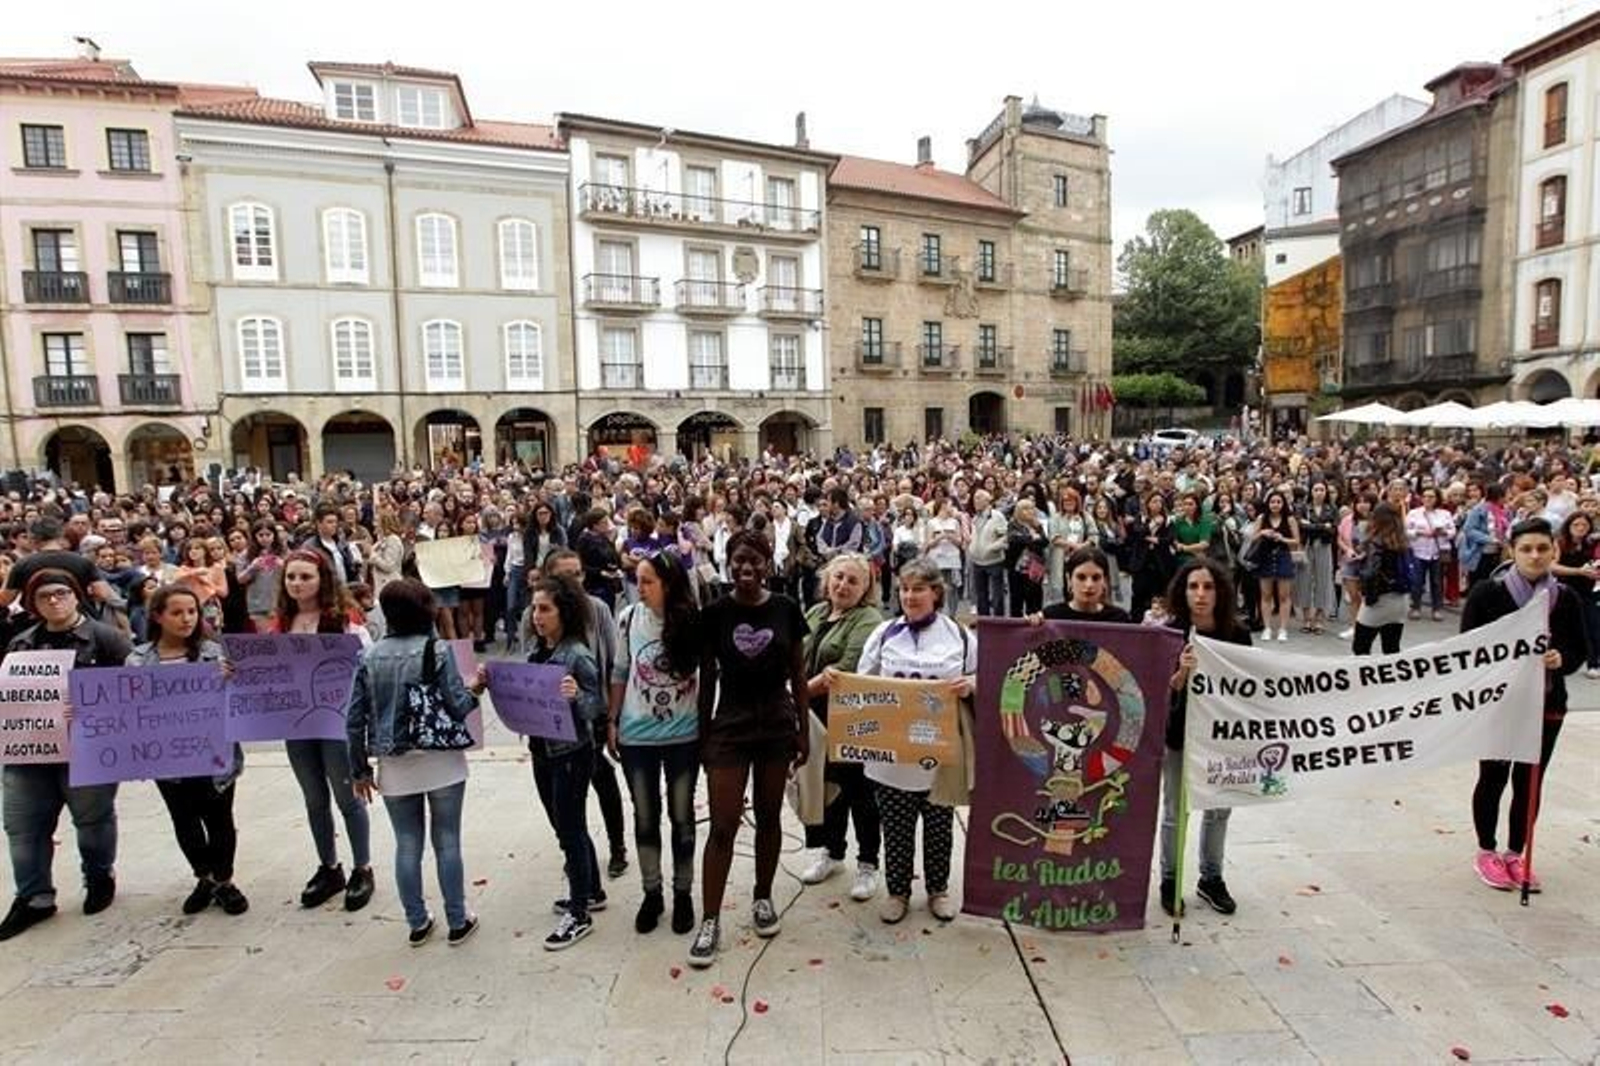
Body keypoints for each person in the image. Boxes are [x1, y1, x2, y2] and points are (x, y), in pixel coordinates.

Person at [690, 531, 809, 967]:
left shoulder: (786, 609)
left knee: (769, 816)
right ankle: (710, 918)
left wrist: (803, 730)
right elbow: (707, 680)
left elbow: (798, 672)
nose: (746, 568)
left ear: (767, 564)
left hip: (776, 725)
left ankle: (763, 896)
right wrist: (704, 739)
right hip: (731, 725)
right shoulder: (715, 613)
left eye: (754, 561)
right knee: (722, 826)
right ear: (728, 562)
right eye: (738, 561)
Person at [347, 578, 488, 947]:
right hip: (441, 759)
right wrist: (476, 689)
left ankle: (417, 921)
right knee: (448, 841)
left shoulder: (369, 656)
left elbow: (353, 719)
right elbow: (458, 706)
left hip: (394, 764)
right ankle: (457, 918)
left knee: (407, 844)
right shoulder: (437, 650)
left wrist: (359, 769)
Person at [0, 569, 132, 940]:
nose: (54, 601)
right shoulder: (20, 644)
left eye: (61, 593)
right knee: (23, 827)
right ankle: (33, 896)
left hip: (87, 749)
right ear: (32, 604)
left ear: (77, 596)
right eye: (44, 597)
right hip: (29, 752)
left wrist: (93, 709)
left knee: (92, 820)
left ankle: (99, 877)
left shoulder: (106, 638)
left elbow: (135, 685)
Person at [1462, 518, 1585, 893]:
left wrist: (1560, 658)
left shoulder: (1566, 597)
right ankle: (1487, 851)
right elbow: (1465, 650)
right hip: (1498, 705)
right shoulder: (1487, 593)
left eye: (1542, 548)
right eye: (1527, 548)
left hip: (1548, 703)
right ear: (1511, 551)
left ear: (1554, 551)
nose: (1535, 555)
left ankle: (1517, 853)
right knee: (1494, 777)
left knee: (1530, 781)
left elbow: (1581, 649)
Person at [852, 559, 975, 924]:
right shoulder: (885, 632)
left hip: (939, 754)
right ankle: (898, 891)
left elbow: (986, 675)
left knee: (939, 827)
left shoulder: (960, 636)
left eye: (918, 588)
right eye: (904, 589)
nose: (909, 596)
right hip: (892, 757)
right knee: (896, 828)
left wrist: (971, 684)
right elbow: (863, 681)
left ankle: (938, 890)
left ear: (936, 593)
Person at [125, 585, 248, 916]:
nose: (186, 619)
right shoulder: (138, 660)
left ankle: (225, 880)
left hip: (214, 754)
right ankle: (204, 877)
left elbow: (241, 702)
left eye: (191, 612)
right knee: (185, 820)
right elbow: (127, 706)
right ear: (157, 616)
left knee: (220, 819)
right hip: (167, 758)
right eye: (177, 612)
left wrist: (228, 681)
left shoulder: (214, 653)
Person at [272, 548, 376, 912]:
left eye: (305, 577)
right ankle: (329, 867)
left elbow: (367, 664)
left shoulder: (345, 620)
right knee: (314, 798)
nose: (298, 584)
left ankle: (363, 867)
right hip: (297, 724)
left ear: (322, 580)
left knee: (348, 798)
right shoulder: (281, 623)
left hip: (336, 723)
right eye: (291, 577)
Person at [607, 551, 701, 936]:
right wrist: (611, 720)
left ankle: (683, 893)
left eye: (648, 581)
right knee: (645, 817)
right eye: (637, 580)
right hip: (636, 737)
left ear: (668, 584)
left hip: (684, 737)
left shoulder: (694, 622)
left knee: (682, 818)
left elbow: (707, 674)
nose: (640, 588)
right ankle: (652, 892)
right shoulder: (628, 619)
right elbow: (620, 670)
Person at [1159, 557, 1249, 917]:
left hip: (1222, 738)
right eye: (1193, 586)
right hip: (1180, 734)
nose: (1200, 594)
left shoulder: (1237, 634)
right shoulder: (1170, 632)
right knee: (1174, 811)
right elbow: (1160, 691)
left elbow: (1249, 685)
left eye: (1208, 587)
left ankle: (1211, 878)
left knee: (1218, 809)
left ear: (1220, 592)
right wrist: (1181, 672)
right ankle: (1169, 878)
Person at [797, 553, 885, 900]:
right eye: (838, 577)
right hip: (812, 715)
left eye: (852, 580)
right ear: (827, 580)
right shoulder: (816, 612)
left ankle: (867, 864)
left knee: (859, 791)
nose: (843, 585)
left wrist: (797, 691)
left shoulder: (868, 619)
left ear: (866, 588)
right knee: (826, 788)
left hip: (850, 717)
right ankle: (832, 853)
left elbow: (847, 668)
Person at [527, 575, 607, 950]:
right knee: (564, 825)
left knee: (570, 828)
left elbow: (598, 706)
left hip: (571, 754)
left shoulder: (576, 654)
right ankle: (590, 890)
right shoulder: (539, 651)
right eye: (534, 608)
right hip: (543, 751)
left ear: (564, 612)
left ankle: (579, 912)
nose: (536, 616)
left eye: (545, 609)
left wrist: (577, 697)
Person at [1354, 504, 1411, 656]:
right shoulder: (1402, 541)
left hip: (1379, 598)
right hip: (1401, 599)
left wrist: (1363, 585)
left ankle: (1365, 678)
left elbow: (1371, 573)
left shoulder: (1377, 541)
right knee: (1392, 648)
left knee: (1361, 647)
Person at [1552, 511, 1600, 679]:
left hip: (1588, 592)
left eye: (1584, 525)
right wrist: (1579, 571)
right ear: (1569, 526)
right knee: (1565, 628)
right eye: (1576, 524)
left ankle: (1594, 663)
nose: (1580, 528)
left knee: (1593, 625)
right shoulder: (1560, 543)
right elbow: (1552, 566)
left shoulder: (1591, 543)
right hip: (1565, 592)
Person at [1032, 546, 1132, 624]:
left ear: (1105, 581)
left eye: (1096, 578)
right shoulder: (1051, 617)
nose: (1089, 585)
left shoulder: (1119, 619)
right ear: (1069, 579)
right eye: (1081, 577)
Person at [1253, 490, 1300, 642]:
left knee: (1284, 596)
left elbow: (1296, 541)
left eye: (1279, 502)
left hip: (1283, 556)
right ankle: (1267, 627)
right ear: (1268, 503)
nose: (1275, 505)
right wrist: (1262, 533)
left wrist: (1282, 538)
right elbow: (1252, 538)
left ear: (1283, 504)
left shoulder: (1290, 519)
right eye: (1272, 502)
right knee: (1265, 595)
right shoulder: (1262, 518)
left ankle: (1283, 629)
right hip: (1265, 557)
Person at [1405, 487, 1455, 622]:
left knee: (1437, 581)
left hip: (1437, 551)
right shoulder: (1414, 513)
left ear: (1437, 498)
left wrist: (1442, 532)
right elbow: (1406, 531)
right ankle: (1415, 607)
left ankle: (1437, 609)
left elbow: (1452, 531)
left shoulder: (1445, 514)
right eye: (1425, 496)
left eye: (1431, 496)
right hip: (1418, 551)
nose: (1428, 499)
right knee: (1417, 581)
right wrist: (1419, 533)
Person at [1295, 482, 1338, 635]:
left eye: (1322, 490)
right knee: (1304, 580)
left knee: (1323, 581)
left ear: (1326, 492)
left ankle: (1319, 619)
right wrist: (1322, 526)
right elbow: (1300, 525)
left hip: (1324, 546)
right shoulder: (1302, 507)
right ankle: (1306, 618)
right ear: (1311, 491)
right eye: (1316, 489)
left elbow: (1333, 530)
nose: (1319, 492)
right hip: (1306, 545)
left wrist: (1313, 525)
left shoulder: (1332, 508)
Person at [1004, 498, 1049, 618]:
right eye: (1026, 509)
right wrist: (1032, 538)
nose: (1030, 511)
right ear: (1019, 511)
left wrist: (1032, 538)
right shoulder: (1013, 524)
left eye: (1031, 508)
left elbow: (1045, 542)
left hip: (1035, 568)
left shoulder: (1037, 525)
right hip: (1017, 568)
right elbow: (1014, 540)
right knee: (1016, 601)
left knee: (1034, 600)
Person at [968, 489, 1009, 617]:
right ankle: (984, 622)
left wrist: (992, 547)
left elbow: (1005, 537)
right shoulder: (975, 518)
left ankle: (998, 622)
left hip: (994, 560)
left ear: (988, 500)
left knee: (997, 595)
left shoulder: (997, 516)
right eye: (975, 498)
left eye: (979, 498)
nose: (976, 501)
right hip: (977, 561)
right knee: (981, 595)